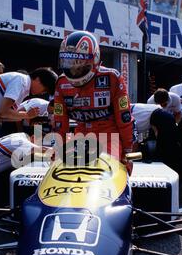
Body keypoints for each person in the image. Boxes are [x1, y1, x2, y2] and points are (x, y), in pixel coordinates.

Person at [0, 68, 57, 206]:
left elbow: (4, 116)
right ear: (37, 79)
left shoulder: (22, 88)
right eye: (44, 89)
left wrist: (24, 116)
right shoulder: (21, 81)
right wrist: (27, 115)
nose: (43, 93)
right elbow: (3, 112)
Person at [54, 30, 133, 169]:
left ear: (94, 60)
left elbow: (124, 119)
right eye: (69, 62)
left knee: (105, 171)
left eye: (78, 63)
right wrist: (58, 150)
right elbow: (60, 123)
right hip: (80, 138)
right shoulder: (61, 83)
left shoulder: (112, 78)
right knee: (63, 170)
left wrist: (127, 151)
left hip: (109, 139)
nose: (73, 69)